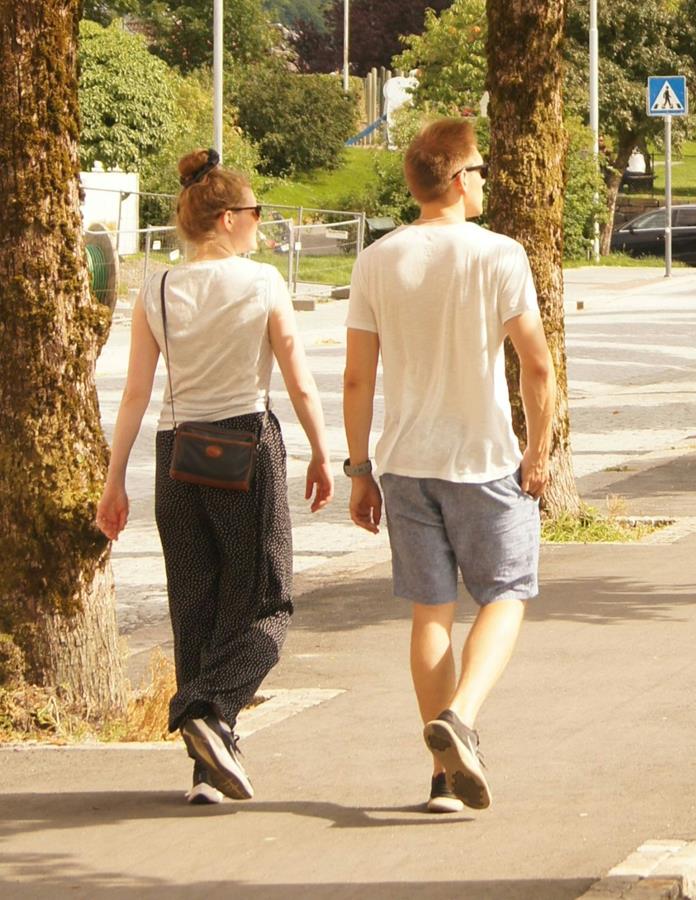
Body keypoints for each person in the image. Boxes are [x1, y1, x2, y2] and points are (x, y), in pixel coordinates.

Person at [96, 149, 334, 805]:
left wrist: (114, 480)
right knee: (265, 602)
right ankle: (209, 707)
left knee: (195, 610)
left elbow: (135, 394)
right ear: (227, 218)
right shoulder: (261, 283)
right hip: (244, 447)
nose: (261, 223)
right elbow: (298, 379)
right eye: (255, 212)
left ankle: (210, 769)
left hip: (177, 456)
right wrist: (323, 452)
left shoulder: (158, 287)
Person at [342, 119, 555, 813]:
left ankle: (442, 782)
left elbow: (355, 380)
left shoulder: (377, 258)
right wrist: (539, 451)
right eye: (481, 170)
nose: (485, 181)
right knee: (506, 593)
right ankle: (460, 719)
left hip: (405, 464)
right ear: (460, 180)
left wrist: (359, 468)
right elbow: (537, 365)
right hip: (483, 459)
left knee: (430, 613)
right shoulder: (499, 254)